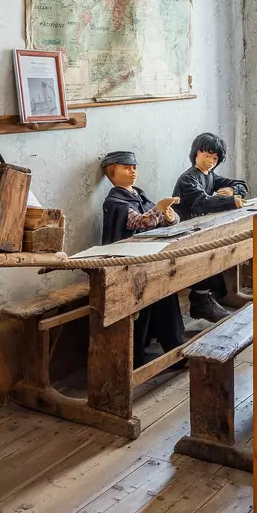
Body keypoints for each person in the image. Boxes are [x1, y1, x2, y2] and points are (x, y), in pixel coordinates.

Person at [100, 150, 186, 363]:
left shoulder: (139, 194)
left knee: (166, 296)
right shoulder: (115, 201)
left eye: (134, 168)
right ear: (112, 172)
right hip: (128, 265)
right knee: (141, 306)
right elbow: (140, 222)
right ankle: (136, 357)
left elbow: (157, 220)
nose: (132, 172)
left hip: (150, 259)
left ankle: (174, 348)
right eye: (126, 168)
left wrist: (169, 216)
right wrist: (159, 208)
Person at [172, 132, 247, 322]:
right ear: (196, 153)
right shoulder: (188, 179)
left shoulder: (210, 176)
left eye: (215, 158)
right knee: (207, 253)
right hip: (182, 232)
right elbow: (201, 202)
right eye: (207, 155)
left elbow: (240, 184)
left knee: (226, 246)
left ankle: (216, 295)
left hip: (200, 228)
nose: (211, 161)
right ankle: (201, 300)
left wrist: (233, 190)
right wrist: (232, 201)